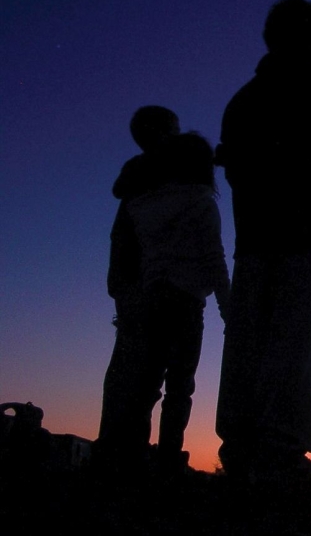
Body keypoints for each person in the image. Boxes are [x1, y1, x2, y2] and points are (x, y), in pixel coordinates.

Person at [214, 0, 311, 483]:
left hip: (255, 238)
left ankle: (241, 448)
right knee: (294, 345)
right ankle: (278, 452)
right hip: (305, 237)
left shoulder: (243, 101)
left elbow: (236, 172)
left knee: (248, 343)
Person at [97, 128, 230, 479]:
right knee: (180, 386)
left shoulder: (145, 206)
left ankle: (133, 457)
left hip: (151, 299)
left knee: (146, 384)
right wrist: (226, 306)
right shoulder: (201, 203)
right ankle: (169, 459)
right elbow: (214, 259)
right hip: (186, 303)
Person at [96, 106, 180, 476]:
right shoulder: (154, 178)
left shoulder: (139, 179)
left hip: (139, 283)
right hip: (143, 284)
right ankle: (120, 451)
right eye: (171, 128)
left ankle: (124, 449)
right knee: (138, 370)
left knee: (139, 370)